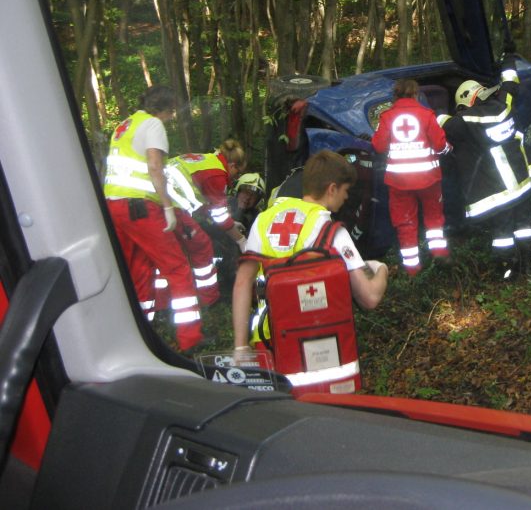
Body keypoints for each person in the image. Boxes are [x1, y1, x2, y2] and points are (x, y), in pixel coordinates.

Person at [231, 150, 388, 352]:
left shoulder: (264, 220)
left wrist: (240, 346)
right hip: (318, 342)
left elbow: (242, 284)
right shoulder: (330, 231)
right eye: (345, 190)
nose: (347, 196)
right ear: (332, 189)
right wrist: (381, 268)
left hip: (269, 340)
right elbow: (370, 297)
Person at [103, 85, 203, 351]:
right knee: (178, 268)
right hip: (141, 208)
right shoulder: (153, 125)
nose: (173, 117)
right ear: (167, 109)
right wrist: (168, 207)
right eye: (172, 112)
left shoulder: (125, 124)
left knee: (138, 270)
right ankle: (189, 340)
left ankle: (138, 333)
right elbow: (155, 166)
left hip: (114, 206)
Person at [439, 57, 531, 280]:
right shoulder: (504, 104)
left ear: (465, 102)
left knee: (502, 233)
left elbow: (443, 123)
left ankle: (507, 271)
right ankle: (528, 261)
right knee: (524, 224)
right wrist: (508, 61)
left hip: (498, 192)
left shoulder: (465, 120)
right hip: (521, 183)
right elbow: (511, 84)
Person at [372, 78, 450, 275]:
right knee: (433, 218)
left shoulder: (387, 117)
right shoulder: (426, 115)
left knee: (405, 222)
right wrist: (449, 148)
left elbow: (379, 146)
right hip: (428, 179)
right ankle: (439, 253)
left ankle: (412, 268)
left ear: (395, 95)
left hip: (399, 182)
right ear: (416, 94)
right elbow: (440, 145)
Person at [163, 139, 248, 306]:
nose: (235, 178)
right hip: (170, 204)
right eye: (237, 173)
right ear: (232, 165)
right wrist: (241, 240)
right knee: (202, 246)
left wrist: (231, 223)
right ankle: (209, 300)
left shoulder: (208, 160)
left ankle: (164, 301)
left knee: (171, 251)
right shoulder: (217, 174)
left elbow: (204, 202)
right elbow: (220, 216)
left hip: (158, 199)